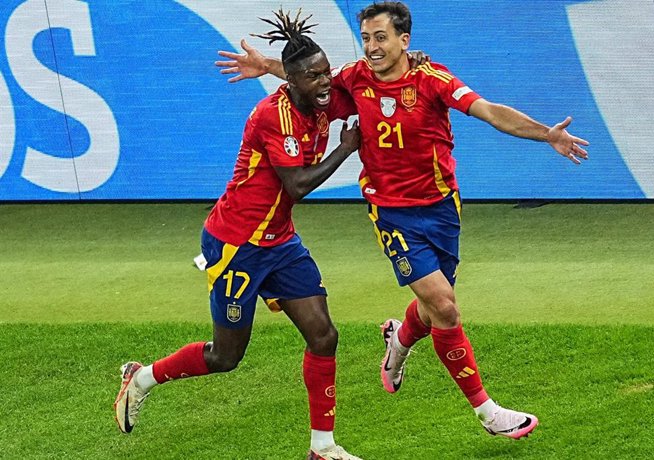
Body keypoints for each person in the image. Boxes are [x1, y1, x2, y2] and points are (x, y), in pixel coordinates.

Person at [217, 1, 589, 441]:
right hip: (391, 211)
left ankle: (400, 341)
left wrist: (546, 132)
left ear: (404, 41)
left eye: (380, 38)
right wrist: (267, 66)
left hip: (441, 207)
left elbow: (488, 111)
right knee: (446, 306)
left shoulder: (431, 80)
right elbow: (310, 81)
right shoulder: (354, 79)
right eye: (367, 39)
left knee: (435, 309)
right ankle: (488, 412)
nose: (371, 48)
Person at [114, 9, 363, 460]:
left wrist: (411, 61)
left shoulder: (324, 100)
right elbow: (297, 185)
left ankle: (322, 448)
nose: (327, 83)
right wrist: (347, 148)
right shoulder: (274, 117)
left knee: (324, 336)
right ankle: (143, 377)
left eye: (328, 72)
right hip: (236, 245)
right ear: (290, 81)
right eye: (314, 77)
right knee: (225, 358)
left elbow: (369, 88)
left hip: (280, 241)